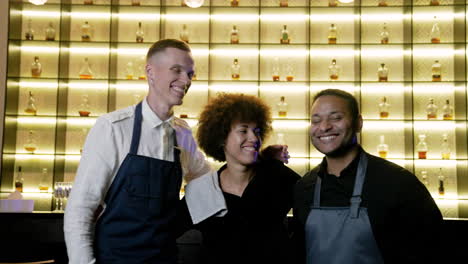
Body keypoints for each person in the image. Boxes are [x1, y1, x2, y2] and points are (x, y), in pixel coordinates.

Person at [64, 39, 227, 264]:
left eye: (190, 74)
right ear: (150, 72)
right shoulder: (112, 128)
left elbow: (205, 183)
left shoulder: (183, 134)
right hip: (114, 259)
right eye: (177, 70)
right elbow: (80, 208)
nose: (185, 80)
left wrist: (252, 162)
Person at [293, 89, 443, 263]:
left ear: (358, 123)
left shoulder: (398, 183)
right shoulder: (304, 188)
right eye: (316, 120)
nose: (324, 126)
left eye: (336, 118)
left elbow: (434, 251)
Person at [177, 93, 300, 264]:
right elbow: (166, 233)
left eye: (257, 132)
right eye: (243, 130)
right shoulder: (202, 190)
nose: (253, 139)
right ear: (221, 139)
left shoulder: (277, 176)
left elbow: (314, 208)